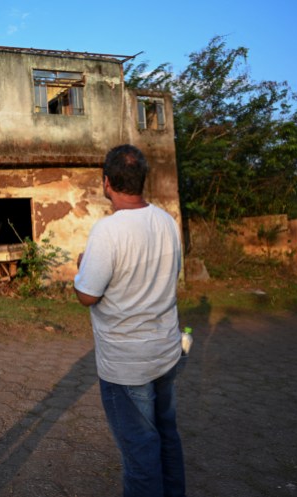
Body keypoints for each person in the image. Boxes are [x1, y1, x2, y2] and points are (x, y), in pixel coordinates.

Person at [73, 144, 186, 497]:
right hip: (166, 353)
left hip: (127, 365)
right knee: (166, 436)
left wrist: (82, 269)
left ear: (107, 182)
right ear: (142, 181)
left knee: (140, 452)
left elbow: (87, 295)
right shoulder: (167, 222)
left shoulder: (108, 232)